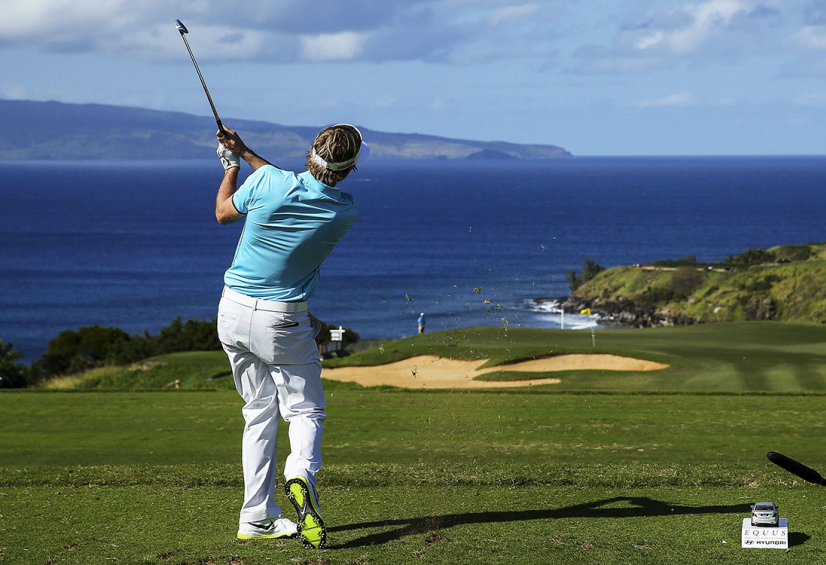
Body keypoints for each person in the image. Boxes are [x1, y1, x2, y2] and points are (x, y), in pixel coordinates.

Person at [214, 123, 364, 548]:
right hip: (283, 320)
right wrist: (245, 152)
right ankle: (300, 473)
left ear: (310, 152)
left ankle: (256, 517)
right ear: (349, 170)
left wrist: (231, 166)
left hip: (232, 311)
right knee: (305, 411)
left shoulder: (267, 183)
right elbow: (291, 184)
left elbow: (225, 212)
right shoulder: (343, 211)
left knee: (258, 412)